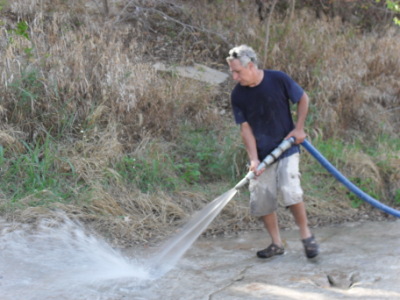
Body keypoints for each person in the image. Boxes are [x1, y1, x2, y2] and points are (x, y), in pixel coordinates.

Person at [226, 44, 319, 259]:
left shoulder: (278, 79)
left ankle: (306, 235)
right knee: (261, 196)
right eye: (232, 72)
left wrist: (299, 128)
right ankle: (276, 244)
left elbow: (303, 98)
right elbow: (245, 128)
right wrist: (253, 159)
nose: (234, 77)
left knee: (289, 187)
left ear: (250, 66)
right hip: (262, 154)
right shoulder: (238, 95)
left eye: (237, 71)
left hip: (287, 147)